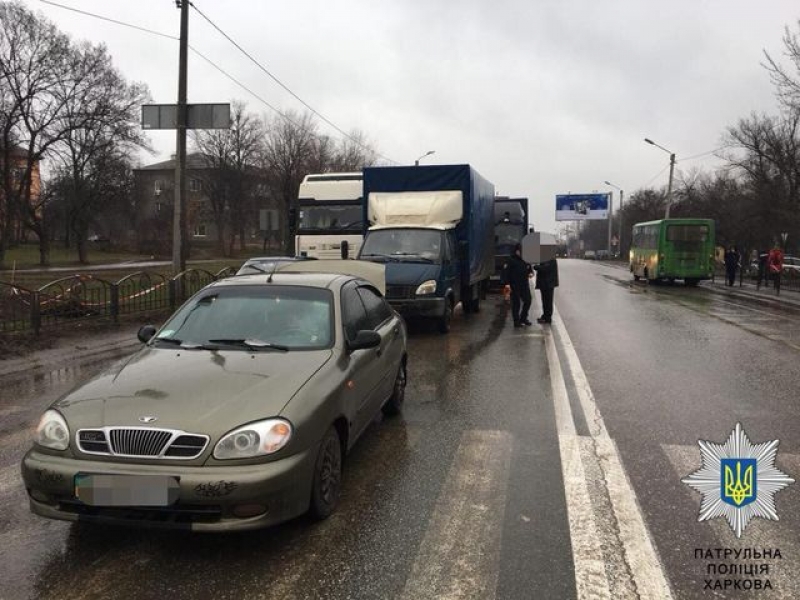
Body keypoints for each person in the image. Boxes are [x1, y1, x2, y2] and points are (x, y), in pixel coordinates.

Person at [501, 244, 532, 327]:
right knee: (516, 303)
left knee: (528, 301)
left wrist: (530, 273)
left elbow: (529, 269)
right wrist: (506, 283)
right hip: (514, 285)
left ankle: (523, 318)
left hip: (524, 284)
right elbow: (505, 273)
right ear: (517, 251)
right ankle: (516, 321)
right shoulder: (511, 260)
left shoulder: (526, 259)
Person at [534, 255, 559, 324]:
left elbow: (545, 268)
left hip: (548, 284)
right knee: (545, 301)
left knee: (548, 301)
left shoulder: (551, 259)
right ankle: (545, 316)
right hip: (545, 283)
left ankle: (548, 317)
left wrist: (536, 267)